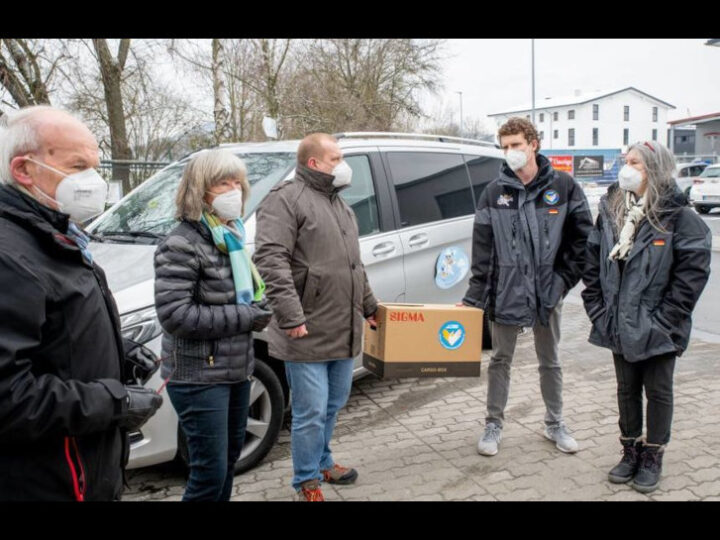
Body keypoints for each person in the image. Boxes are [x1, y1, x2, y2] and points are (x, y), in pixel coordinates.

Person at [0, 105, 162, 501]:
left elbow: (58, 335)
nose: (94, 181)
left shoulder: (56, 233)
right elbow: (8, 396)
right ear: (24, 169)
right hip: (48, 479)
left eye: (95, 166)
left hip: (88, 467)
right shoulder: (10, 255)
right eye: (78, 166)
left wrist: (119, 354)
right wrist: (113, 402)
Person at [253, 133, 377, 502]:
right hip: (304, 330)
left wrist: (370, 307)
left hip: (342, 326)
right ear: (314, 163)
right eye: (336, 158)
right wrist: (291, 316)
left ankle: (324, 461)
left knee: (333, 404)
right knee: (309, 411)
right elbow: (270, 260)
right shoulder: (285, 200)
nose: (343, 165)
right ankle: (306, 480)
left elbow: (354, 267)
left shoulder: (340, 205)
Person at [582, 140, 711, 493]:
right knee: (626, 390)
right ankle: (630, 450)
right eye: (626, 161)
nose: (627, 167)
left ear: (653, 168)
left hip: (658, 327)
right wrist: (597, 309)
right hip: (616, 322)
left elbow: (692, 275)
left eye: (635, 162)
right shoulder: (611, 208)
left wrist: (665, 320)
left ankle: (653, 453)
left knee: (658, 391)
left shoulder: (678, 216)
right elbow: (592, 262)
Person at [461, 117, 593, 457]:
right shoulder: (494, 193)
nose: (510, 152)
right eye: (505, 147)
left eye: (516, 145)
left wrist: (562, 283)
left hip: (548, 290)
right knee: (500, 360)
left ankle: (555, 423)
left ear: (533, 143)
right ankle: (493, 425)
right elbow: (483, 250)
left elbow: (581, 241)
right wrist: (475, 297)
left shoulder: (564, 187)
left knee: (550, 360)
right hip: (506, 290)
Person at [154, 149, 272, 502]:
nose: (234, 189)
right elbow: (177, 316)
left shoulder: (229, 236)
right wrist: (247, 316)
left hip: (235, 369)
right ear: (199, 189)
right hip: (197, 375)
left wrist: (258, 306)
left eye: (238, 181)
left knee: (227, 463)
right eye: (223, 182)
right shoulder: (181, 243)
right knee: (208, 473)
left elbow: (240, 296)